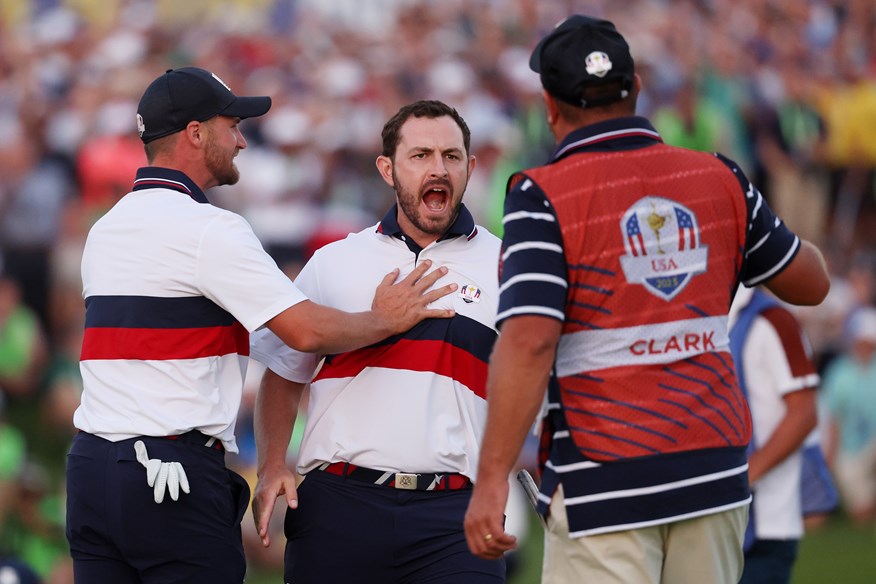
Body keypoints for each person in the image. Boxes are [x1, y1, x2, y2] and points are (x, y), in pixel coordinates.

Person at [463, 15, 830, 584]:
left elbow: (531, 341)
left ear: (550, 107)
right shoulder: (721, 177)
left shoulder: (541, 194)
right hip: (713, 470)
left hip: (605, 478)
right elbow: (811, 282)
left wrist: (492, 481)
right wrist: (738, 220)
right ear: (635, 90)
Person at [65, 68, 456, 584]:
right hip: (168, 475)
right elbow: (305, 332)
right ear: (196, 133)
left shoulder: (106, 228)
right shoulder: (209, 229)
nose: (242, 139)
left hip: (91, 469)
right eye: (232, 125)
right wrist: (384, 319)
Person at [249, 100, 505, 583]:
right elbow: (283, 373)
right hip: (339, 506)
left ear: (471, 167)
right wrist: (271, 464)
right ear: (387, 168)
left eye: (452, 157)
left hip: (454, 516)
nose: (439, 168)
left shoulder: (508, 266)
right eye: (421, 155)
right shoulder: (333, 262)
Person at [728, 286, 833, 584]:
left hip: (765, 525)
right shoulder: (710, 317)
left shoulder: (773, 319)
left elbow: (804, 414)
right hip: (723, 519)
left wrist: (742, 478)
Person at [821, 305, 876, 527]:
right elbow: (833, 420)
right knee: (861, 513)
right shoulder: (839, 372)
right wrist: (829, 459)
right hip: (850, 448)